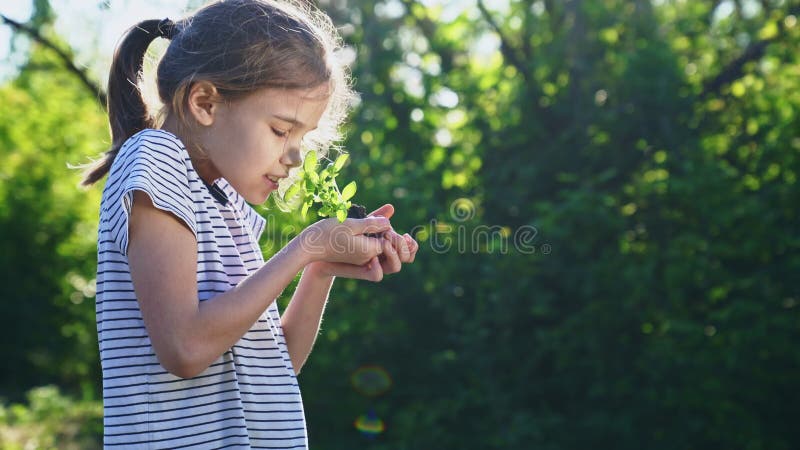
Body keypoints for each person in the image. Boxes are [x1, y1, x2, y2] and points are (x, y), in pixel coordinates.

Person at [80, 0, 419, 447]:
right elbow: (185, 349)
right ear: (205, 102)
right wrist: (306, 246)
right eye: (282, 131)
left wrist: (319, 270)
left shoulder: (228, 203)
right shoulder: (157, 159)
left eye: (304, 137)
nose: (296, 156)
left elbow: (271, 369)